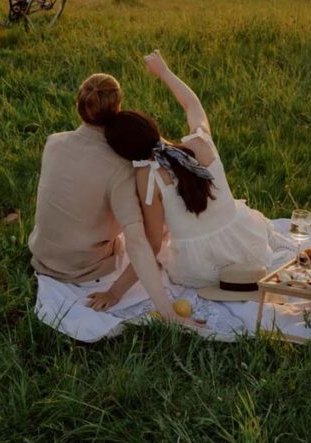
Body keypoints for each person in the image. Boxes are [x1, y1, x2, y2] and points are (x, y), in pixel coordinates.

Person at [104, 51, 287, 292]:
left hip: (197, 270)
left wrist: (114, 292)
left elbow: (153, 242)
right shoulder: (200, 144)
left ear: (127, 155)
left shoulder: (148, 177)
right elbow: (192, 104)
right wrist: (164, 72)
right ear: (151, 126)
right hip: (247, 248)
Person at [28, 72, 189, 323]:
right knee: (161, 233)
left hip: (43, 257)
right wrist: (165, 311)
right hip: (85, 269)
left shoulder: (53, 143)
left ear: (79, 106)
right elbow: (138, 243)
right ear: (118, 109)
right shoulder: (121, 167)